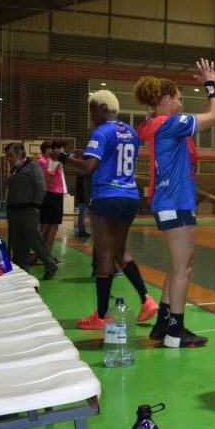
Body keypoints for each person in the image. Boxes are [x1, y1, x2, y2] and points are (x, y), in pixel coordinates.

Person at [134, 58, 215, 348]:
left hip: (170, 201)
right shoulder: (168, 124)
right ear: (166, 100)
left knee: (178, 265)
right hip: (174, 202)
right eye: (178, 100)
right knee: (183, 268)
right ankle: (175, 332)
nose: (180, 105)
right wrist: (211, 87)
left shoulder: (159, 125)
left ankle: (163, 323)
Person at [59, 90, 158, 329]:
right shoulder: (131, 132)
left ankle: (100, 316)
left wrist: (62, 157)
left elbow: (89, 167)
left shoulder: (101, 131)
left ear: (103, 107)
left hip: (107, 196)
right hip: (130, 196)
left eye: (92, 110)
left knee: (104, 255)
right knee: (119, 252)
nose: (91, 116)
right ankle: (146, 300)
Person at [3, 142, 59, 278]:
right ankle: (21, 270)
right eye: (7, 156)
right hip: (13, 210)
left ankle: (50, 264)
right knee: (17, 242)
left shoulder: (33, 166)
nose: (8, 159)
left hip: (28, 209)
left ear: (20, 153)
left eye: (11, 155)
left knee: (34, 239)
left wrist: (35, 205)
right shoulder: (13, 169)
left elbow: (41, 187)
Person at [37, 140, 67, 258]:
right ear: (47, 150)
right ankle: (45, 255)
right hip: (52, 195)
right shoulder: (51, 161)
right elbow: (48, 179)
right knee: (51, 225)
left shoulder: (42, 161)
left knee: (46, 225)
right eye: (52, 149)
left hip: (50, 195)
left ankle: (41, 253)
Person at [72, 155, 91, 237]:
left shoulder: (80, 175)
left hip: (82, 196)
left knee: (82, 213)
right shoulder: (82, 175)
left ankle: (82, 230)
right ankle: (81, 230)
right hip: (83, 197)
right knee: (82, 214)